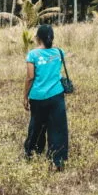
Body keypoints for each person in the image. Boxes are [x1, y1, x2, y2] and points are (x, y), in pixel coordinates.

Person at [23, 24, 69, 169]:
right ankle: (58, 160)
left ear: (37, 38)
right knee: (58, 128)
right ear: (51, 38)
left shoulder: (33, 55)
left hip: (38, 97)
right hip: (56, 95)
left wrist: (25, 96)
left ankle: (32, 153)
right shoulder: (59, 52)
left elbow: (30, 77)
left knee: (37, 126)